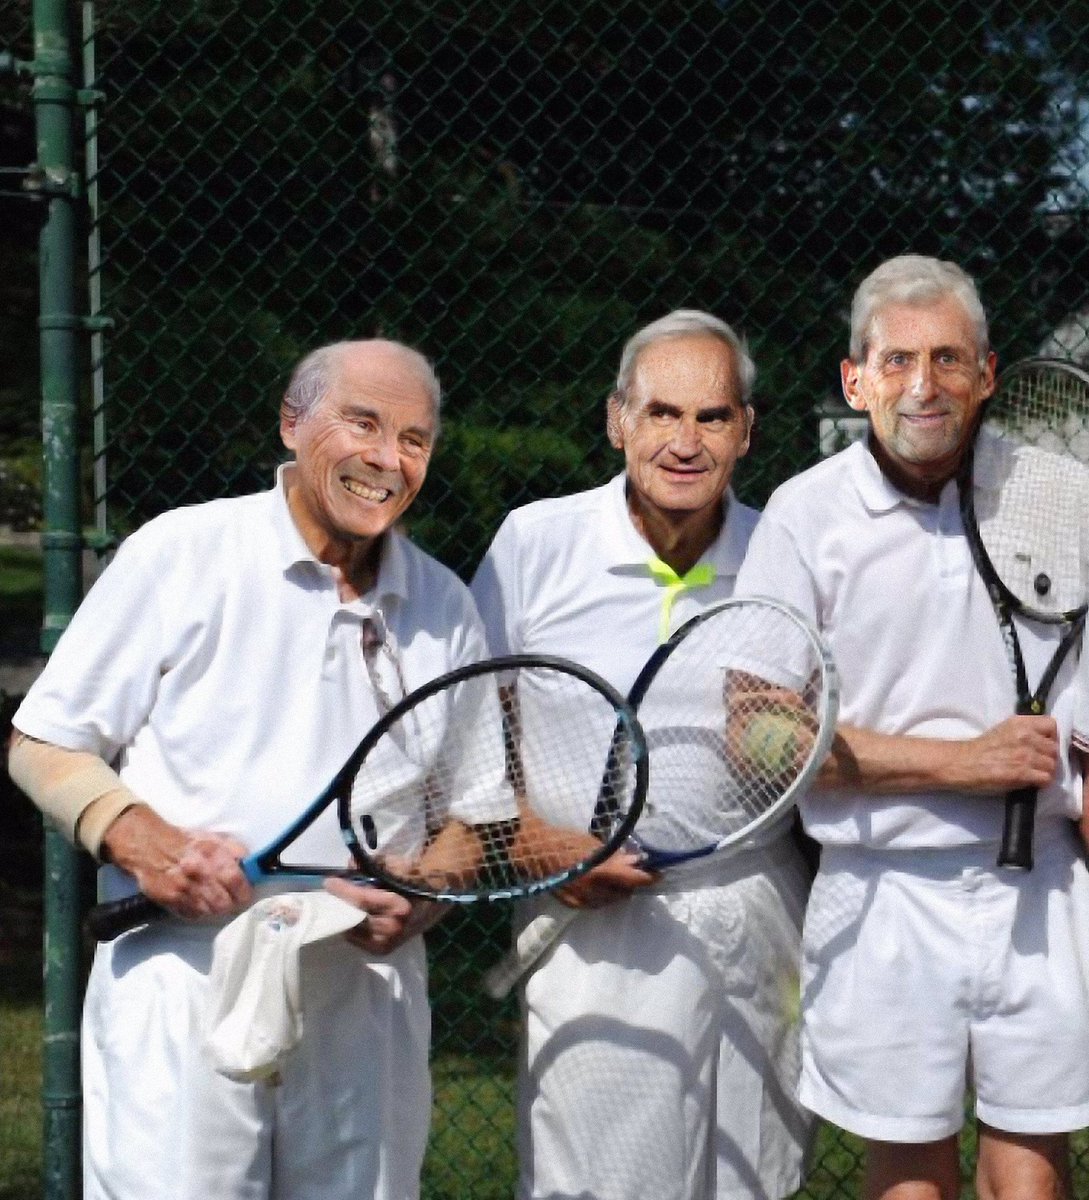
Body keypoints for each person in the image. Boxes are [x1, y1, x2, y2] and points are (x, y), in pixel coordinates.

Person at [7, 338, 491, 1200]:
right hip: (185, 976)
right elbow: (42, 742)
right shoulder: (182, 552)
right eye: (363, 424)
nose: (387, 460)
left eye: (414, 439)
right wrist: (144, 842)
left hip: (366, 993)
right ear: (291, 424)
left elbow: (474, 815)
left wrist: (425, 891)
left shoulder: (445, 604)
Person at [733, 255, 1089, 1200]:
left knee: (1032, 1173)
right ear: (855, 380)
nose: (922, 386)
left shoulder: (1060, 496)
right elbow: (757, 735)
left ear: (987, 373)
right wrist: (958, 764)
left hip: (1044, 885)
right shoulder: (803, 514)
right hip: (878, 891)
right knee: (907, 1177)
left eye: (947, 359)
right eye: (896, 361)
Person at [470, 310, 815, 1200]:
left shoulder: (785, 551)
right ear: (617, 420)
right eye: (662, 413)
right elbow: (466, 730)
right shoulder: (535, 543)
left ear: (745, 432)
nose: (684, 443)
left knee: (754, 1182)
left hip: (754, 918)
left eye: (711, 417)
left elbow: (796, 731)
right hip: (592, 931)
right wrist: (531, 844)